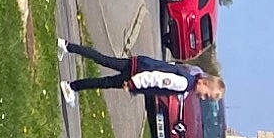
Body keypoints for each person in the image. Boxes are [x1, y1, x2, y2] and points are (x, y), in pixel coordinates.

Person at [66, 42, 228, 100]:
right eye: (207, 94)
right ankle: (71, 86)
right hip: (137, 73)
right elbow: (156, 78)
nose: (204, 98)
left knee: (103, 60)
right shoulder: (183, 83)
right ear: (203, 82)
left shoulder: (187, 80)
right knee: (105, 81)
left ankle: (67, 46)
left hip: (139, 65)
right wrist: (133, 83)